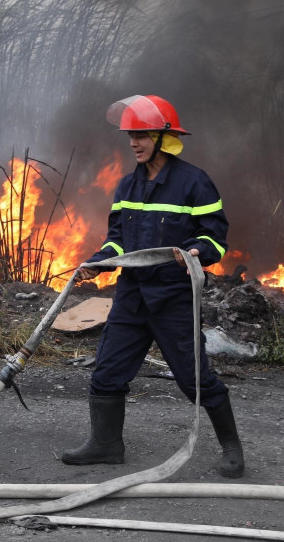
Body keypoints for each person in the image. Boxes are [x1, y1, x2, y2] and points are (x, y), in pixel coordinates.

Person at [61, 94, 245, 478]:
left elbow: (215, 240)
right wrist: (99, 263)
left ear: (164, 138)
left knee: (195, 379)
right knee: (107, 372)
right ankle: (106, 445)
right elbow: (118, 241)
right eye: (130, 136)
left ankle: (231, 446)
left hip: (174, 297)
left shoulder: (195, 183)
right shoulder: (127, 186)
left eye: (141, 135)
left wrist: (193, 251)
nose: (133, 143)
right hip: (132, 297)